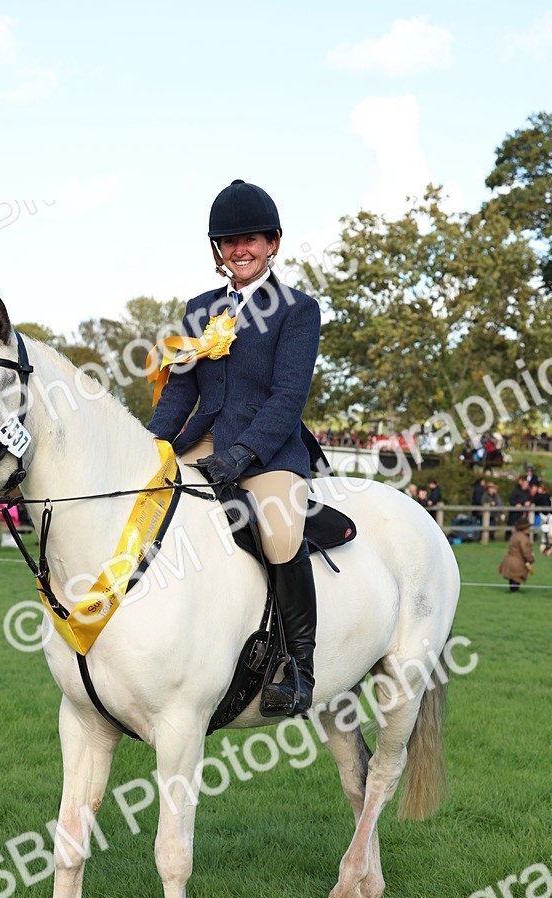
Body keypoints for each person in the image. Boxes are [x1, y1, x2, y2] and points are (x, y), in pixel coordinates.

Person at [147, 179, 322, 716]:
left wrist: (244, 455)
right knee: (146, 503)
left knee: (279, 532)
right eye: (228, 241)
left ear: (272, 243)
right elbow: (179, 391)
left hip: (268, 450)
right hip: (202, 441)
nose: (239, 249)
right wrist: (149, 446)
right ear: (217, 249)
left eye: (250, 239)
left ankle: (298, 667)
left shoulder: (297, 309)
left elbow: (288, 397)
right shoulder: (199, 309)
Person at [498, 517, 534, 591]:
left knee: (512, 580)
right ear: (525, 528)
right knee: (516, 580)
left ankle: (513, 592)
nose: (529, 529)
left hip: (509, 560)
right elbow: (525, 551)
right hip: (517, 563)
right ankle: (514, 593)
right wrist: (530, 559)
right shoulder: (523, 538)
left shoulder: (514, 535)